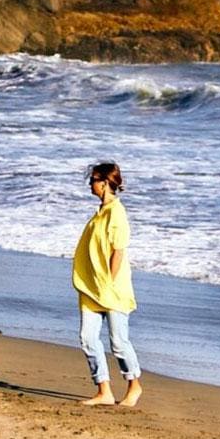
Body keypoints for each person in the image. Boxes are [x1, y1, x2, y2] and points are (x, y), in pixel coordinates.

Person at [73, 160, 142, 407]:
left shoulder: (116, 212)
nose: (90, 185)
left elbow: (118, 251)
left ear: (104, 183)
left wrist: (110, 282)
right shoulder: (101, 211)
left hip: (113, 288)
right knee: (87, 338)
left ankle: (134, 385)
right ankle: (104, 390)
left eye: (93, 180)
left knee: (118, 341)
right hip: (92, 287)